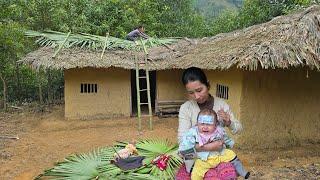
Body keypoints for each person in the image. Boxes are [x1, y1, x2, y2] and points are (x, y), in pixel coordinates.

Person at [178, 67, 244, 177]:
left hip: (219, 157)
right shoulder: (186, 108)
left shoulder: (221, 105)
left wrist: (229, 122)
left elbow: (239, 129)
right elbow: (181, 141)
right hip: (195, 159)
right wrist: (210, 146)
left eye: (199, 90)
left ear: (208, 85)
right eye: (191, 93)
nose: (196, 96)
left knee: (227, 175)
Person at [179, 109, 250, 180]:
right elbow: (186, 144)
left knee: (231, 154)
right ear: (197, 123)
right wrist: (184, 149)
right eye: (202, 124)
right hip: (203, 160)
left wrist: (230, 143)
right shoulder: (193, 132)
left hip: (219, 155)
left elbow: (225, 138)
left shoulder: (219, 130)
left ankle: (242, 171)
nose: (205, 127)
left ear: (215, 124)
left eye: (209, 124)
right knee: (196, 172)